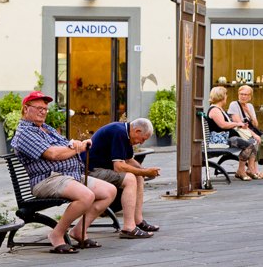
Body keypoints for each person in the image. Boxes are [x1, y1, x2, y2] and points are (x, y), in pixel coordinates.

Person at [10, 91, 117, 254]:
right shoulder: (24, 133)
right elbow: (52, 154)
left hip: (69, 176)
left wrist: (78, 144)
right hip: (47, 179)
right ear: (25, 109)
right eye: (38, 107)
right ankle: (56, 234)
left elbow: (66, 144)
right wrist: (76, 148)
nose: (43, 111)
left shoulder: (45, 128)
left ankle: (78, 231)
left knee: (109, 191)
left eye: (45, 109)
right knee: (86, 196)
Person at [88, 118, 161, 239]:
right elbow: (119, 167)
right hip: (90, 171)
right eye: (143, 139)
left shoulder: (126, 134)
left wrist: (144, 171)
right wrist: (145, 171)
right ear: (137, 131)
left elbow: (128, 160)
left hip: (100, 169)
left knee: (138, 177)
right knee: (130, 179)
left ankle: (138, 221)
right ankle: (128, 228)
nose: (141, 143)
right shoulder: (119, 132)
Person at [207, 86, 259, 180]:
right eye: (226, 95)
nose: (226, 97)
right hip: (223, 139)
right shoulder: (215, 110)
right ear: (221, 96)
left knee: (253, 142)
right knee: (248, 145)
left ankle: (250, 169)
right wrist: (237, 123)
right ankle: (241, 171)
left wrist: (239, 125)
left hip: (227, 137)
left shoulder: (219, 108)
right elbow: (223, 125)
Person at [228, 85, 263, 178]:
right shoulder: (234, 105)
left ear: (250, 96)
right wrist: (255, 135)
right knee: (257, 140)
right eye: (241, 94)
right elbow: (239, 124)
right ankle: (253, 169)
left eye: (246, 95)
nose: (243, 96)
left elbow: (255, 124)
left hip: (251, 130)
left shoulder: (250, 106)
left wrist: (249, 112)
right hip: (241, 132)